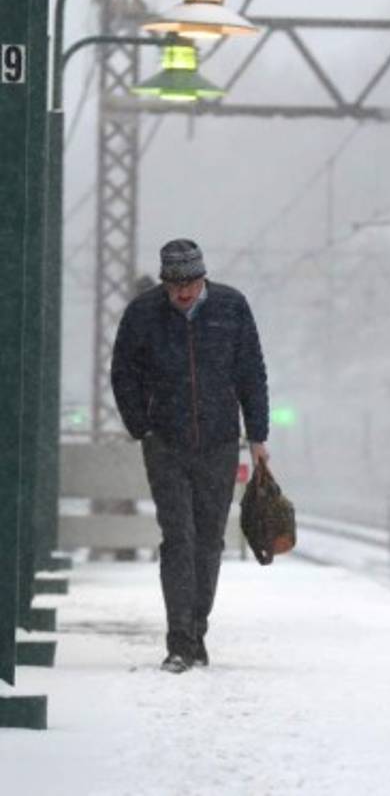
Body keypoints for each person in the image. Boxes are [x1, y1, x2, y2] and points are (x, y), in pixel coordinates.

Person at [111, 239, 270, 673]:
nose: (182, 293)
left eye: (190, 284)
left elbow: (251, 371)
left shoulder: (232, 308)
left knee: (209, 542)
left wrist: (258, 434)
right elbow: (123, 371)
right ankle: (179, 641)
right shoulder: (143, 314)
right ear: (164, 283)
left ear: (204, 278)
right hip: (165, 442)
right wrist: (139, 425)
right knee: (178, 538)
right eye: (174, 285)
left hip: (219, 443)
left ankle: (196, 630)